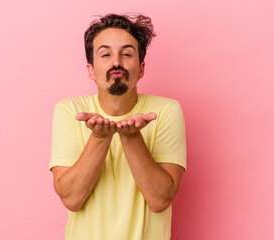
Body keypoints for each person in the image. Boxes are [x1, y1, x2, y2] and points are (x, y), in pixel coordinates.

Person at [49, 13, 187, 240]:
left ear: (141, 68)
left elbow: (160, 199)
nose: (116, 62)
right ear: (91, 70)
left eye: (126, 54)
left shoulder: (166, 111)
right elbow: (72, 199)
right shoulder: (69, 111)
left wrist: (132, 138)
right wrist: (100, 138)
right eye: (105, 54)